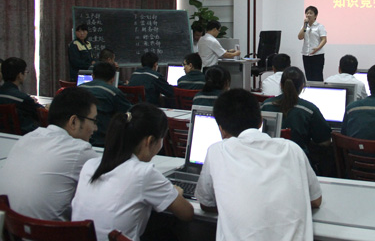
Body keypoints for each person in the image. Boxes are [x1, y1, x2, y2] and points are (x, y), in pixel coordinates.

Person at [196, 89, 322, 241]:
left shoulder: (216, 151)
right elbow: (315, 200)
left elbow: (206, 203)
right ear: (261, 120)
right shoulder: (292, 149)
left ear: (221, 129)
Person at [71, 104, 194, 240]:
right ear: (150, 141)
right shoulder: (143, 173)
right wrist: (176, 194)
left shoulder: (90, 165)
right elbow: (187, 213)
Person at [0, 87, 98, 220]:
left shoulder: (27, 138)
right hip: (46, 230)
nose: (95, 128)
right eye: (93, 121)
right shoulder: (79, 150)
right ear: (74, 121)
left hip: (10, 227)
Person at [261, 66, 331, 155]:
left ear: (281, 85)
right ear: (302, 86)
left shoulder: (266, 105)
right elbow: (325, 141)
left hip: (269, 158)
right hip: (298, 159)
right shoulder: (309, 110)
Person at [79, 62, 132, 146]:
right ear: (113, 79)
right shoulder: (113, 93)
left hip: (78, 138)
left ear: (92, 76)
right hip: (103, 142)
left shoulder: (78, 89)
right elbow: (129, 113)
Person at [0, 57, 42, 134]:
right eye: (25, 72)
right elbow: (42, 114)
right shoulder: (23, 99)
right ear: (20, 75)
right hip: (24, 136)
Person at [297, 6, 327, 81]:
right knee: (308, 76)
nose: (308, 15)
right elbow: (300, 37)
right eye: (307, 13)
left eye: (311, 13)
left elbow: (324, 39)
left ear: (315, 16)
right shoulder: (304, 26)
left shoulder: (319, 26)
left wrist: (318, 48)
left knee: (317, 76)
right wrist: (304, 25)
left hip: (317, 54)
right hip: (306, 54)